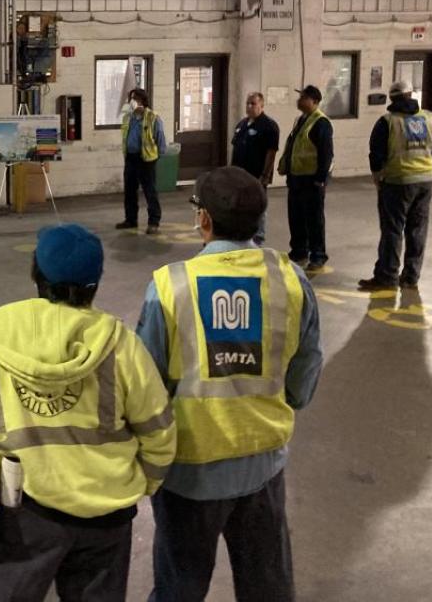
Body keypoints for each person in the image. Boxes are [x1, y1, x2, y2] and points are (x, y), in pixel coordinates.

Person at [0, 223, 176, 601]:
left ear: (36, 274)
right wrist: (140, 484)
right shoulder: (122, 346)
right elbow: (159, 432)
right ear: (95, 284)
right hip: (105, 514)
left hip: (19, 512)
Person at [135, 166, 323, 602]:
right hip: (263, 467)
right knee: (268, 587)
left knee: (179, 586)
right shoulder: (290, 279)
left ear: (204, 220)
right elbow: (303, 379)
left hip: (189, 472)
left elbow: (145, 387)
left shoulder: (170, 286)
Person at [358, 80, 432, 291]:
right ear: (410, 95)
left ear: (392, 98)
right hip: (425, 182)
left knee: (393, 230)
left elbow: (376, 157)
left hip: (397, 182)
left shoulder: (387, 122)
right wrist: (429, 168)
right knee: (418, 229)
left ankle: (387, 276)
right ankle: (410, 276)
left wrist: (378, 179)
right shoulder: (430, 118)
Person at [277, 85, 333, 271]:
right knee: (296, 216)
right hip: (296, 178)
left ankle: (318, 255)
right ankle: (299, 251)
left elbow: (326, 153)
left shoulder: (321, 122)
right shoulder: (301, 120)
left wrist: (320, 178)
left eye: (303, 98)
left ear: (314, 101)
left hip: (312, 180)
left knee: (314, 218)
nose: (299, 101)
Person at [230, 92, 280, 245]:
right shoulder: (242, 125)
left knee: (258, 205)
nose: (249, 106)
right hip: (240, 174)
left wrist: (264, 175)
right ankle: (242, 233)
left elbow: (271, 152)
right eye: (248, 103)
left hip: (256, 174)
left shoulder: (269, 126)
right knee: (241, 205)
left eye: (253, 104)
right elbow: (235, 148)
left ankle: (258, 236)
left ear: (261, 106)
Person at [116, 88, 167, 235]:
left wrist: (158, 155)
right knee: (129, 191)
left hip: (146, 159)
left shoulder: (153, 117)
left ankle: (154, 222)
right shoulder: (128, 117)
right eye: (131, 98)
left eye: (135, 98)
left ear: (143, 100)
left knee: (150, 192)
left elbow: (160, 138)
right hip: (130, 158)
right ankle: (131, 220)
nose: (132, 101)